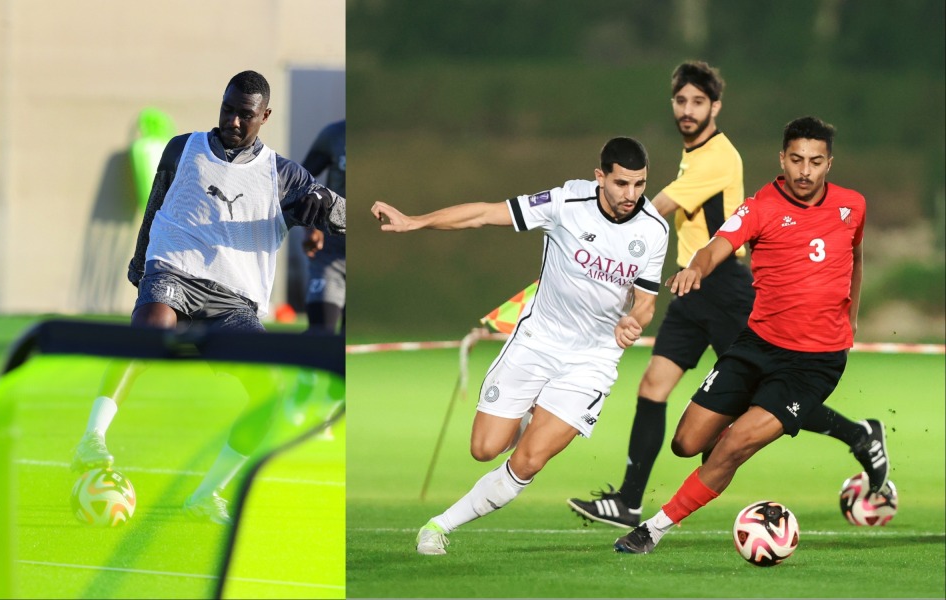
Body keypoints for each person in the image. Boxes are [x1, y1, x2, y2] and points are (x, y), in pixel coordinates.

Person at [568, 62, 889, 529]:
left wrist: (595, 239)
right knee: (655, 388)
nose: (688, 110)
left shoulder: (718, 157)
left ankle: (856, 435)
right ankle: (630, 499)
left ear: (715, 106)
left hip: (724, 288)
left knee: (764, 398)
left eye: (698, 101)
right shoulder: (694, 157)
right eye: (681, 101)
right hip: (692, 284)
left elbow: (656, 213)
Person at [70, 70, 345, 523]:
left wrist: (326, 206)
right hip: (175, 270)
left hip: (235, 301)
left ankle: (204, 494)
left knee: (271, 401)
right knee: (148, 334)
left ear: (265, 117)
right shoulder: (183, 147)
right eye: (228, 109)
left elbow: (341, 214)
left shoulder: (283, 175)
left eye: (246, 115)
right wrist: (141, 267)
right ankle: (92, 440)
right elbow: (156, 206)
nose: (234, 121)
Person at [372, 137, 670, 556]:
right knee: (485, 448)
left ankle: (439, 526)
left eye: (640, 185)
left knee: (528, 461)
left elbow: (646, 302)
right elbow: (484, 214)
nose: (631, 195)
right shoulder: (566, 201)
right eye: (622, 184)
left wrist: (633, 322)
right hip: (536, 341)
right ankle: (535, 410)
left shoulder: (653, 228)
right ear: (600, 176)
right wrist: (415, 221)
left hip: (593, 359)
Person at [614, 116, 869, 554]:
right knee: (686, 443)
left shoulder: (853, 206)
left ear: (829, 163)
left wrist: (853, 316)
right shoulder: (761, 206)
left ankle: (652, 529)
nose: (805, 171)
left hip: (813, 364)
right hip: (756, 346)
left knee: (732, 446)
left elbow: (856, 257)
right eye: (796, 160)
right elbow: (719, 244)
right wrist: (696, 267)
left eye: (815, 161)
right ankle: (740, 429)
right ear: (781, 160)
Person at [300, 119, 346, 333]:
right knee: (319, 335)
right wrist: (311, 226)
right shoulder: (334, 134)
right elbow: (300, 182)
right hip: (330, 251)